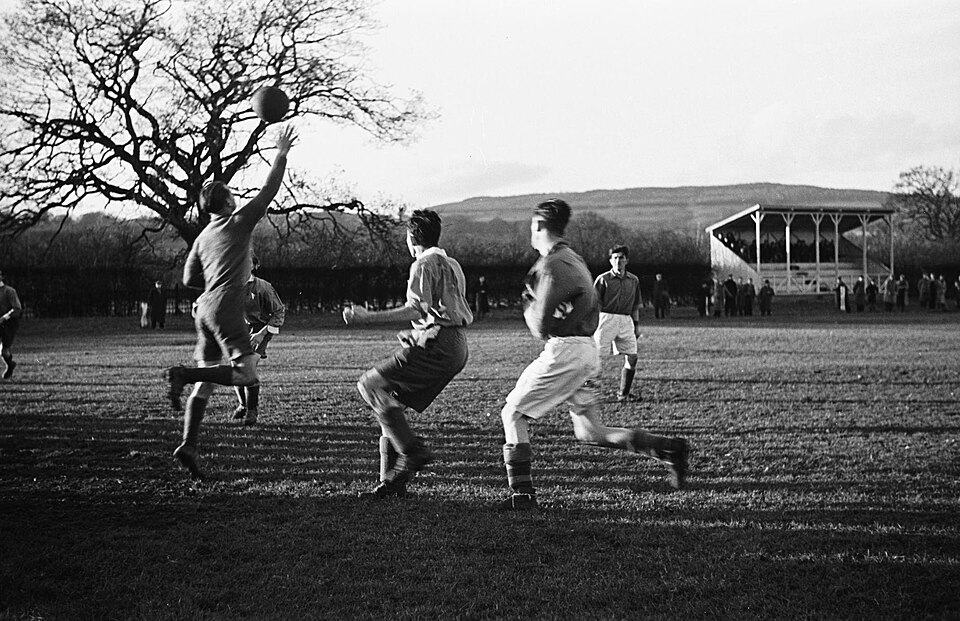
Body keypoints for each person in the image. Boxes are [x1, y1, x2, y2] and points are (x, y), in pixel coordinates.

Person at [497, 199, 689, 511]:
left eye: (532, 228)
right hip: (587, 350)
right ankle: (667, 449)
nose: (531, 235)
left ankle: (522, 495)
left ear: (539, 227)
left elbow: (540, 326)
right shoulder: (574, 259)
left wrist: (527, 304)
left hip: (565, 351)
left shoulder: (550, 265)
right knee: (590, 431)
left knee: (512, 414)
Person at [164, 125, 296, 479]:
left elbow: (189, 280)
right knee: (246, 373)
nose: (237, 197)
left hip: (203, 309)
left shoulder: (201, 238)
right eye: (233, 195)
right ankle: (181, 373)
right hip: (225, 306)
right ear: (227, 203)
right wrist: (280, 153)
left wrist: (216, 272)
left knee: (204, 384)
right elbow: (269, 190)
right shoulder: (238, 222)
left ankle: (188, 445)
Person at [343, 209, 473, 498]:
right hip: (456, 345)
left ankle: (412, 453)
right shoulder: (453, 264)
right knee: (391, 406)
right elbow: (444, 312)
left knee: (370, 385)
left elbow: (417, 308)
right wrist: (417, 333)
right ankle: (393, 482)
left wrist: (366, 316)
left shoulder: (423, 264)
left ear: (411, 237)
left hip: (439, 345)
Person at [231, 253, 286, 426]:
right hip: (238, 330)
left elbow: (279, 311)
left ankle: (252, 410)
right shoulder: (232, 286)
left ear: (255, 266)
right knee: (235, 369)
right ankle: (242, 404)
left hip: (259, 330)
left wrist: (262, 333)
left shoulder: (263, 287)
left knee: (247, 367)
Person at [593, 245, 643, 402]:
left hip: (626, 320)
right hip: (606, 319)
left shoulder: (634, 280)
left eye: (621, 258)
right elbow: (595, 304)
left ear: (626, 260)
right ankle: (588, 394)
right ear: (610, 260)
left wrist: (636, 326)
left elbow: (635, 305)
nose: (618, 261)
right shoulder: (603, 279)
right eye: (615, 258)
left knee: (633, 357)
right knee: (595, 358)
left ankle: (624, 394)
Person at [0, 269, 23, 380]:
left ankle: (9, 365)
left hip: (9, 324)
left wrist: (4, 317)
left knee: (4, 350)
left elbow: (17, 308)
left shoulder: (9, 291)